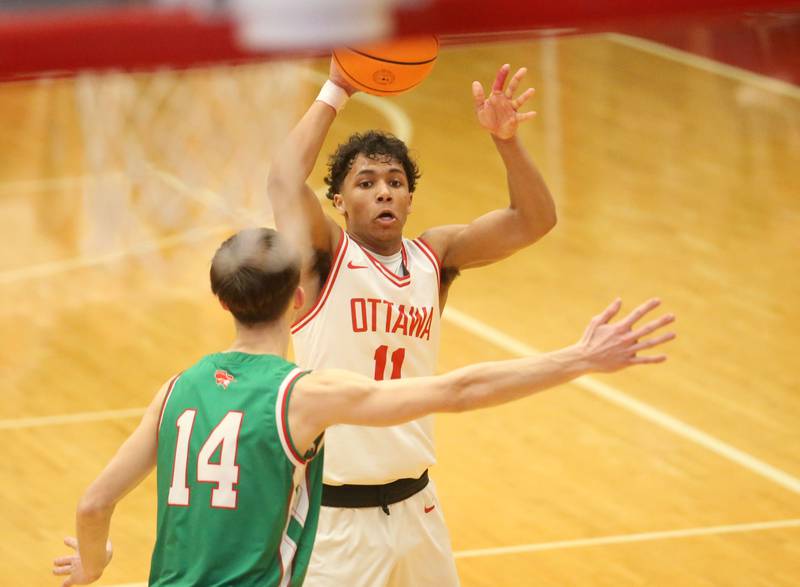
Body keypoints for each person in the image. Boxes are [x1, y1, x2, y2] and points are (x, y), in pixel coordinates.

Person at [52, 228, 675, 587]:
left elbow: (93, 503)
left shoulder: (175, 390)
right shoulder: (303, 393)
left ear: (223, 304)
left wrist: (94, 560)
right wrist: (578, 359)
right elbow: (456, 392)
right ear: (300, 301)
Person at [267, 59, 557, 585]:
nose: (384, 191)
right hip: (335, 519)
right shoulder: (325, 256)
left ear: (409, 198)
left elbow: (534, 221)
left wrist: (507, 142)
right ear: (338, 201)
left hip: (418, 506)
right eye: (366, 182)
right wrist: (338, 87)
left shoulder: (434, 257)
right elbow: (283, 182)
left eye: (395, 182)